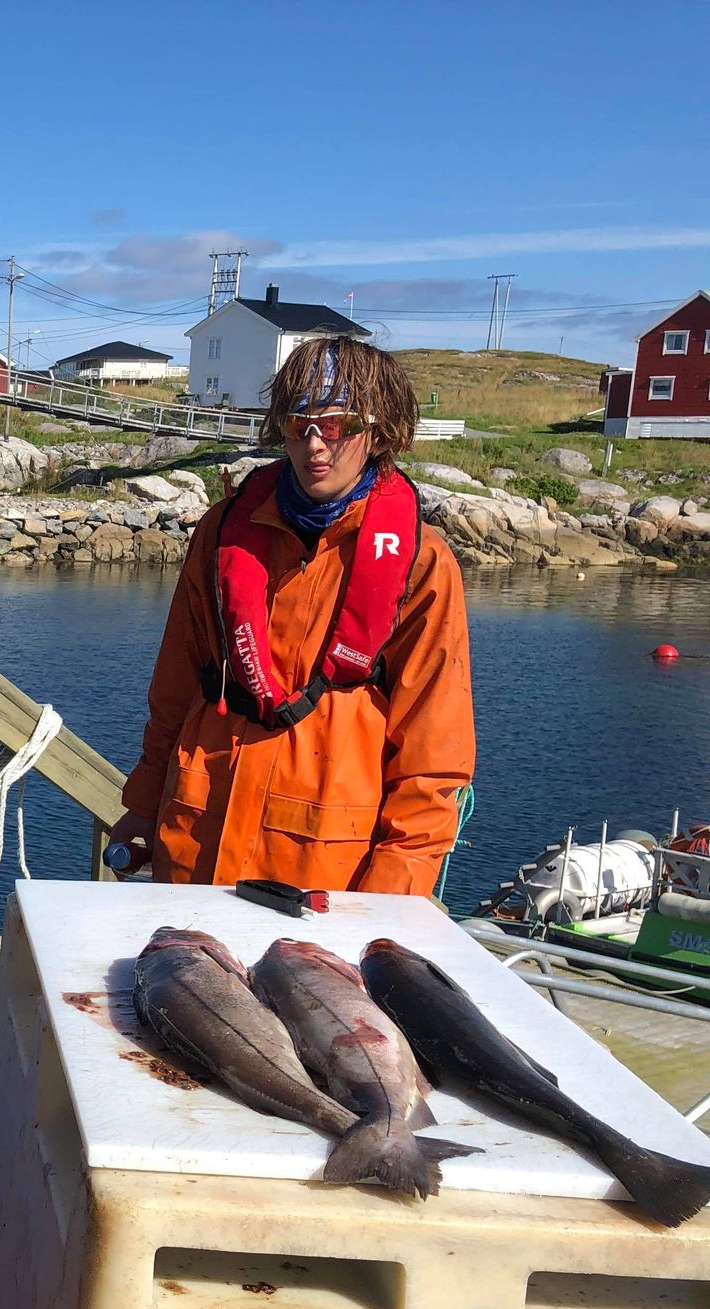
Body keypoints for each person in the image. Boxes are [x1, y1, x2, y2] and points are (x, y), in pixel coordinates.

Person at [107, 336, 474, 897]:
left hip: (326, 868)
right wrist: (143, 803)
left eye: (336, 424)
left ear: (377, 430)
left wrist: (395, 896)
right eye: (298, 422)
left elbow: (433, 750)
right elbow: (175, 686)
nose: (313, 445)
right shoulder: (221, 532)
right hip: (196, 837)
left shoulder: (421, 562)